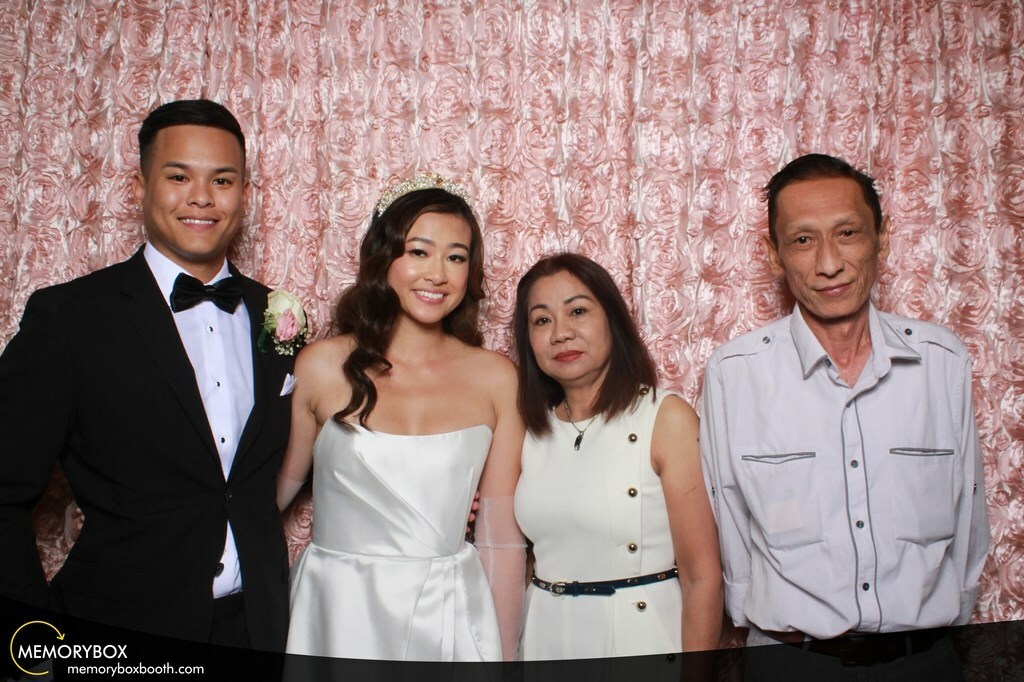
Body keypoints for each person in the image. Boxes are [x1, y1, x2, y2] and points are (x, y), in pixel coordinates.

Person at [0, 100, 295, 650]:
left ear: (245, 194)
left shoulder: (276, 315)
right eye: (178, 177)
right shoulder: (70, 318)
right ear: (139, 187)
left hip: (257, 633)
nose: (202, 197)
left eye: (222, 180)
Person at [700, 154, 990, 677]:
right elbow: (730, 519)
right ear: (773, 255)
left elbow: (967, 509)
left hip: (925, 662)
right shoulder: (734, 373)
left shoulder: (942, 362)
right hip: (790, 662)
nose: (829, 263)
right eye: (803, 240)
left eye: (848, 233)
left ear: (882, 238)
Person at [276, 173, 525, 662]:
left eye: (456, 257)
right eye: (418, 251)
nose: (438, 274)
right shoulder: (321, 367)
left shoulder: (496, 379)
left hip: (449, 616)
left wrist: (503, 658)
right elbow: (267, 500)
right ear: (382, 257)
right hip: (337, 613)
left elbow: (500, 541)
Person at [512, 253, 723, 660]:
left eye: (578, 311)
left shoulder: (665, 417)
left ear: (613, 319)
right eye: (541, 320)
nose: (561, 333)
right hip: (545, 643)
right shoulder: (530, 429)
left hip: (639, 643)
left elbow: (703, 577)